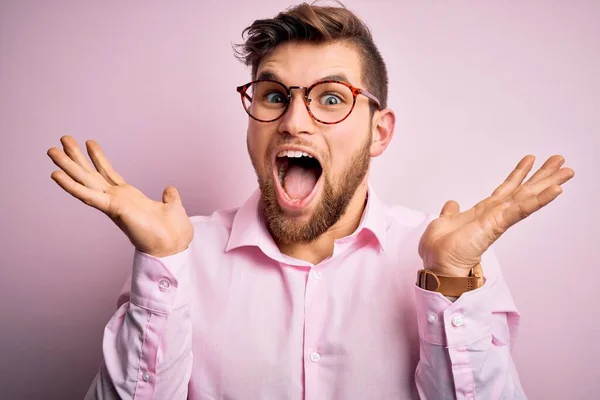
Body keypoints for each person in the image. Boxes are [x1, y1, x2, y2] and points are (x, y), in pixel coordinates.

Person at [47, 3, 574, 399]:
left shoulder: (448, 261)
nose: (294, 122)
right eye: (274, 95)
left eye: (330, 98)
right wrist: (162, 269)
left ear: (379, 133)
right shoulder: (177, 258)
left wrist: (452, 278)